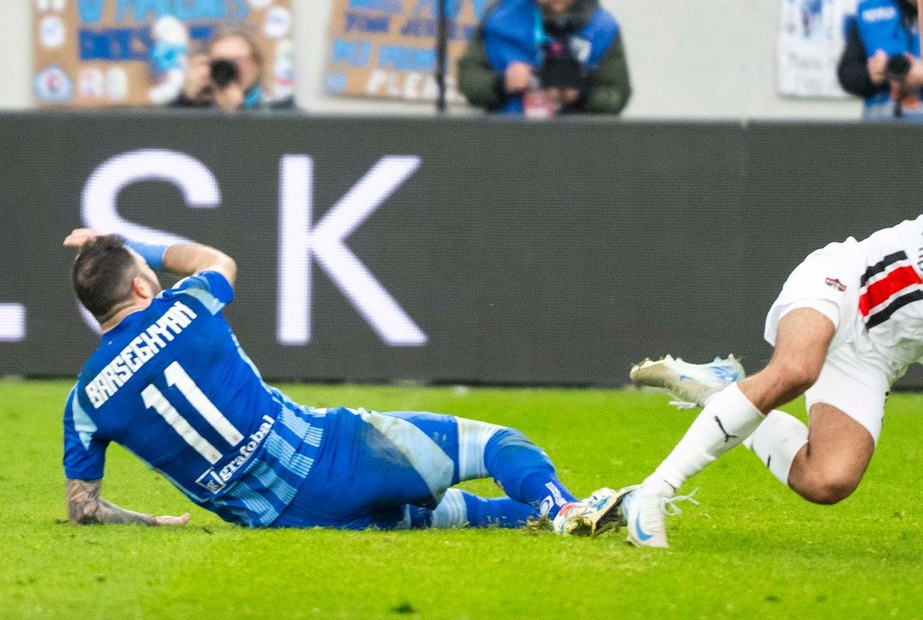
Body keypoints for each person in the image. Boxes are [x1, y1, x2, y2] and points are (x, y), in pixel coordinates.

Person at [623, 0, 923, 558]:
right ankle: (653, 492)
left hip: (873, 359)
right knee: (795, 370)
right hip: (840, 281)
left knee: (828, 480)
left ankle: (719, 389)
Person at [61, 229, 628, 535]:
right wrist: (137, 244)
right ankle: (565, 509)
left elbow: (83, 509)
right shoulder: (189, 304)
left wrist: (149, 522)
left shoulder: (84, 401)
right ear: (140, 288)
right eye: (148, 274)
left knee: (467, 516)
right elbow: (216, 258)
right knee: (498, 445)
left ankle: (557, 516)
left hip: (290, 523)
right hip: (336, 457)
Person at [456, 0, 631, 116]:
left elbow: (618, 96)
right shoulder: (499, 18)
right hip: (507, 134)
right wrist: (502, 83)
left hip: (574, 139)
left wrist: (580, 95)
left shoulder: (602, 28)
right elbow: (467, 78)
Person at [173, 28, 294, 113]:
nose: (229, 68)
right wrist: (187, 100)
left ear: (257, 66)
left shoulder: (279, 108)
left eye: (236, 60)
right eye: (220, 62)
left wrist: (239, 111)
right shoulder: (199, 109)